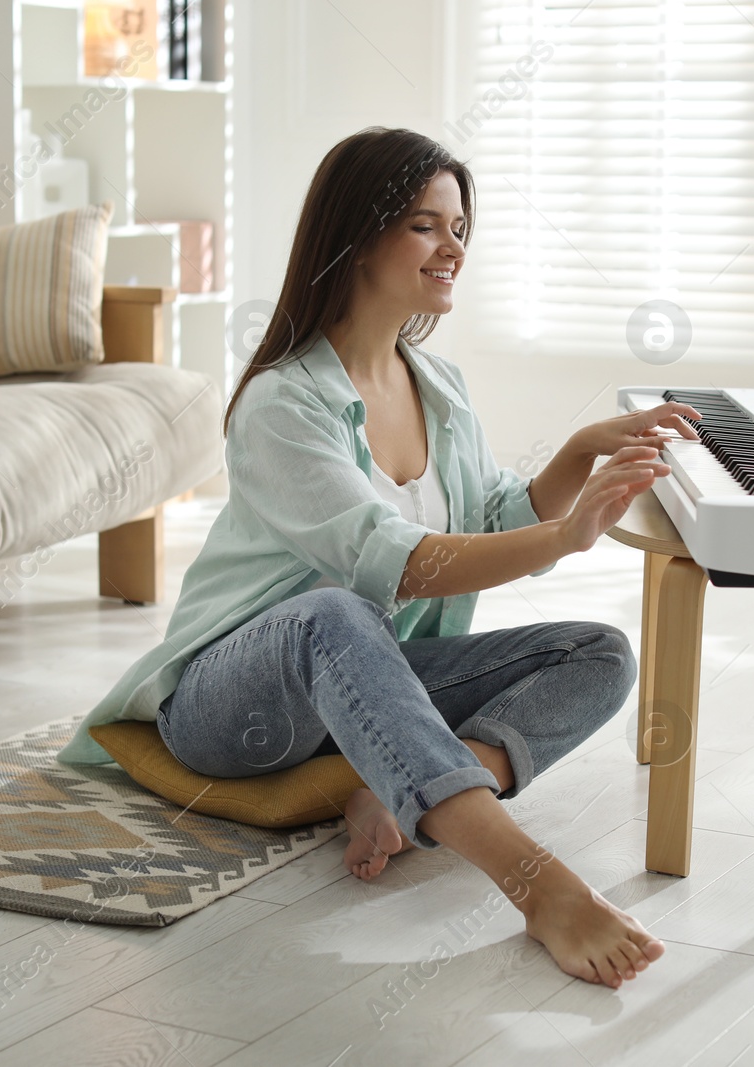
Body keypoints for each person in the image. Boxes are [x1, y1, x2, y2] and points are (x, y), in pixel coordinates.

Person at [60, 126, 702, 989]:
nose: (453, 249)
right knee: (339, 611)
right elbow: (391, 563)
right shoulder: (282, 403)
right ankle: (535, 881)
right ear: (358, 234)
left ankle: (394, 786)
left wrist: (579, 452)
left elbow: (490, 515)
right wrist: (561, 536)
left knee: (599, 651)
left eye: (461, 229)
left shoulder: (438, 387)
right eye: (426, 225)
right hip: (238, 700)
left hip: (369, 679)